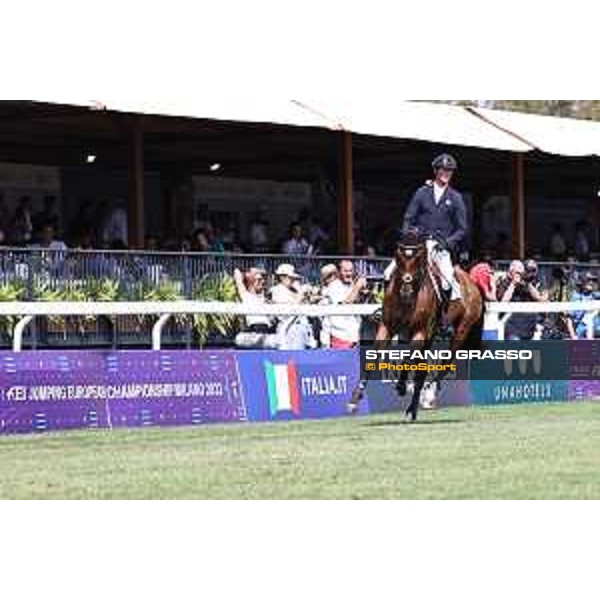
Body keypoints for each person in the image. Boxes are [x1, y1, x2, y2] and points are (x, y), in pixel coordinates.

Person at [384, 153, 467, 302]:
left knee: (447, 280)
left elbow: (462, 229)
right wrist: (408, 236)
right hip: (418, 243)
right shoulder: (422, 192)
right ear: (436, 171)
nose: (446, 173)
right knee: (388, 273)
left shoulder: (456, 197)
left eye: (449, 170)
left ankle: (443, 319)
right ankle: (387, 310)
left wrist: (447, 243)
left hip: (440, 247)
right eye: (443, 170)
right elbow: (408, 218)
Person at [496, 260, 547, 340]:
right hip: (512, 328)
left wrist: (527, 283)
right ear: (511, 271)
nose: (521, 274)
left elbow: (540, 299)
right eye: (518, 272)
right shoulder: (504, 282)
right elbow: (503, 303)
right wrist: (513, 284)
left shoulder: (527, 284)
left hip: (528, 328)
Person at [321, 260, 367, 349]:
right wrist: (357, 287)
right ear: (339, 272)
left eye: (351, 271)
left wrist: (363, 293)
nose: (349, 274)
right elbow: (345, 304)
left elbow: (356, 302)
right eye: (345, 271)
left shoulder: (351, 285)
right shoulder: (334, 286)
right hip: (340, 337)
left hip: (354, 337)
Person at [269, 263, 315, 349]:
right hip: (289, 330)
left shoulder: (294, 290)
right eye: (291, 278)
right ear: (282, 277)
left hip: (303, 328)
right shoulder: (277, 291)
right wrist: (301, 295)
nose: (293, 280)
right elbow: (286, 312)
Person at [233, 267, 273, 334]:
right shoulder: (246, 296)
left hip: (268, 329)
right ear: (251, 281)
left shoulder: (265, 296)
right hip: (256, 328)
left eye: (263, 279)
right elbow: (238, 277)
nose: (263, 281)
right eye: (259, 280)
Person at [569, 272, 600, 339]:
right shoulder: (576, 297)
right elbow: (569, 319)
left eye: (594, 280)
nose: (591, 282)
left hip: (597, 331)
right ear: (582, 281)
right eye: (588, 280)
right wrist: (573, 336)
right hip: (582, 333)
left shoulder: (596, 295)